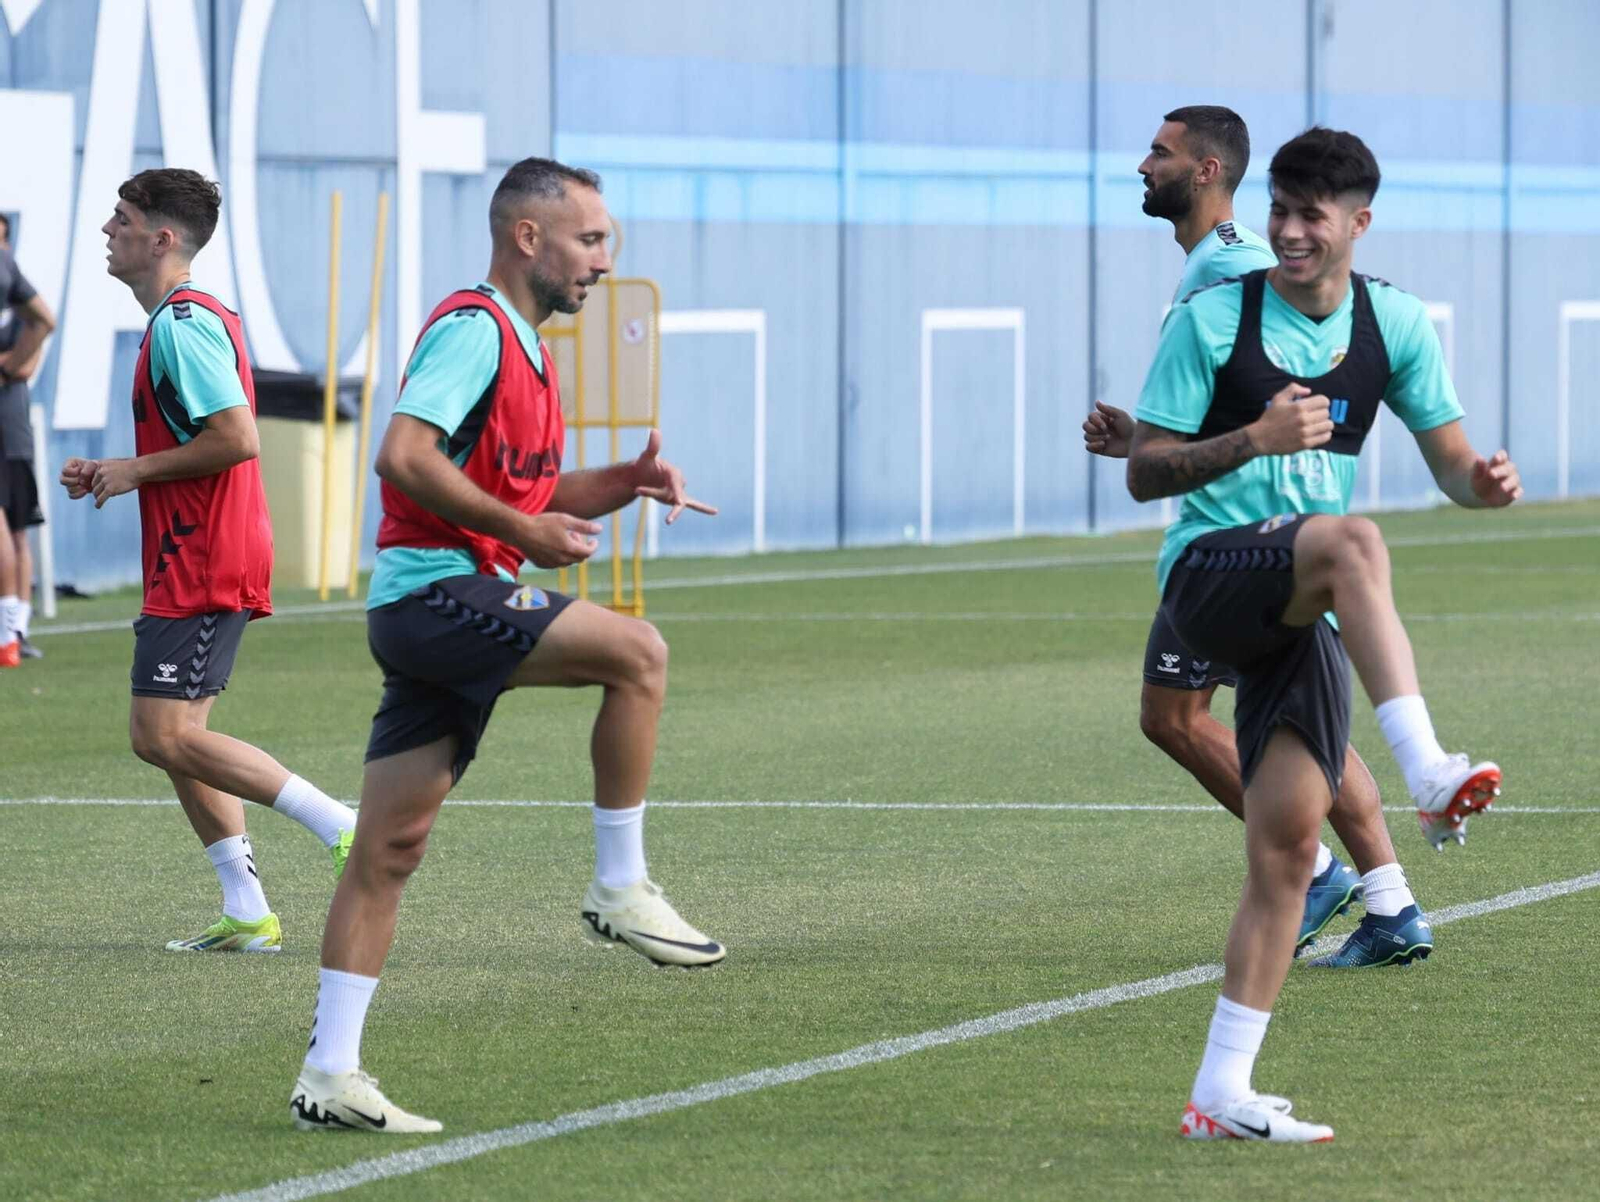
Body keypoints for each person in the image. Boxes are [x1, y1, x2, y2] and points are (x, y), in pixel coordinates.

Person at [289, 157, 721, 1135]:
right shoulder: (474, 327)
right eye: (590, 239)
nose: (603, 261)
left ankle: (329, 1073)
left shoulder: (526, 350)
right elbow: (404, 456)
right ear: (528, 237)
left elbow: (523, 492)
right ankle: (619, 886)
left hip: (445, 605)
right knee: (639, 652)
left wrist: (625, 479)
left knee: (388, 849)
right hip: (435, 592)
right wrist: (521, 532)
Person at [1127, 127, 1517, 1141]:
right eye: (1280, 212)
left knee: (1287, 849)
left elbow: (1452, 463)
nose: (1291, 232)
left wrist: (1480, 486)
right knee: (1352, 541)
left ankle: (1220, 1092)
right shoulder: (1215, 318)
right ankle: (1428, 769)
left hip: (1295, 610)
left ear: (1358, 222)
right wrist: (1251, 439)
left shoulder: (1395, 322)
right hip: (1209, 575)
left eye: (1311, 216)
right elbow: (1144, 470)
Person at [1085, 107, 1420, 960]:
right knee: (1275, 716)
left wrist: (1238, 468)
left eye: (1159, 153)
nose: (1143, 166)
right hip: (1265, 531)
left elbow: (1286, 395)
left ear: (1206, 171)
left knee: (1185, 715)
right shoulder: (1218, 262)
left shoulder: (1230, 268)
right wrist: (1146, 438)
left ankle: (1323, 874)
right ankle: (1388, 900)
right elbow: (1244, 400)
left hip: (1244, 541)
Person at [58, 169, 357, 952]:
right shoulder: (186, 318)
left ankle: (341, 825)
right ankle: (247, 911)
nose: (108, 230)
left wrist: (134, 470)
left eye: (122, 219)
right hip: (195, 549)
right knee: (176, 733)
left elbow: (236, 437)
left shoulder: (182, 324)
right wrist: (120, 469)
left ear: (162, 238)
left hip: (203, 553)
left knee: (161, 734)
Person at [0, 212, 57, 664]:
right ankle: (11, 633)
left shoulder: (19, 308)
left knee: (14, 530)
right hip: (12, 427)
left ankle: (12, 633)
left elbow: (28, 361)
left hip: (11, 428)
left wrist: (6, 366)